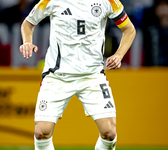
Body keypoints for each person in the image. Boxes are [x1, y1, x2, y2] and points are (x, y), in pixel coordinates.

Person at [20, 0, 136, 149]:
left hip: (92, 76)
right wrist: (27, 41)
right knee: (41, 132)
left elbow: (129, 29)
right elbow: (28, 23)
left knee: (109, 133)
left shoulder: (108, 2)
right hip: (57, 76)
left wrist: (119, 55)